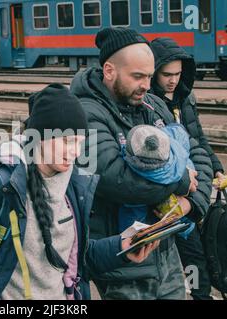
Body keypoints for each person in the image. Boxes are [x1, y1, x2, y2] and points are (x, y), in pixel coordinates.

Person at [0, 83, 159, 300]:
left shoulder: (74, 187)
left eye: (79, 142)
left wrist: (121, 247)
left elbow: (76, 257)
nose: (74, 152)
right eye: (67, 141)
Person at [70, 27, 213, 300]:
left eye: (149, 76)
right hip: (123, 265)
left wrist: (192, 205)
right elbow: (116, 178)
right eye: (137, 76)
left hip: (166, 258)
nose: (147, 85)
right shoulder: (86, 113)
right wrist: (181, 180)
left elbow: (197, 152)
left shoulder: (153, 105)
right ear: (109, 71)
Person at [149, 37, 225, 300]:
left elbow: (198, 137)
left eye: (178, 74)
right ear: (154, 71)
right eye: (166, 74)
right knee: (185, 253)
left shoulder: (184, 96)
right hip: (170, 195)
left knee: (196, 254)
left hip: (195, 190)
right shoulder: (148, 102)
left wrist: (215, 166)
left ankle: (199, 294)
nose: (172, 80)